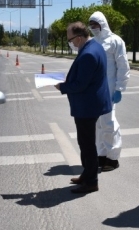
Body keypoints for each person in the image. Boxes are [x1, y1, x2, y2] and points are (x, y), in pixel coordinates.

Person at [55, 22, 112, 194]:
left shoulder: (88, 54)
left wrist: (62, 86)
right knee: (85, 142)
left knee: (87, 145)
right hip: (90, 103)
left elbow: (80, 84)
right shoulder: (95, 46)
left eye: (70, 39)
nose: (70, 43)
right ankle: (87, 174)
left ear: (79, 38)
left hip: (87, 106)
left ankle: (91, 181)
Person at [88, 11, 130, 172]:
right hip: (95, 89)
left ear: (102, 24)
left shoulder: (115, 41)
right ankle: (102, 154)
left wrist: (119, 88)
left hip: (110, 88)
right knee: (98, 124)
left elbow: (123, 66)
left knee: (109, 122)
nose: (93, 27)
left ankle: (113, 158)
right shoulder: (92, 42)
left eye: (95, 24)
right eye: (91, 25)